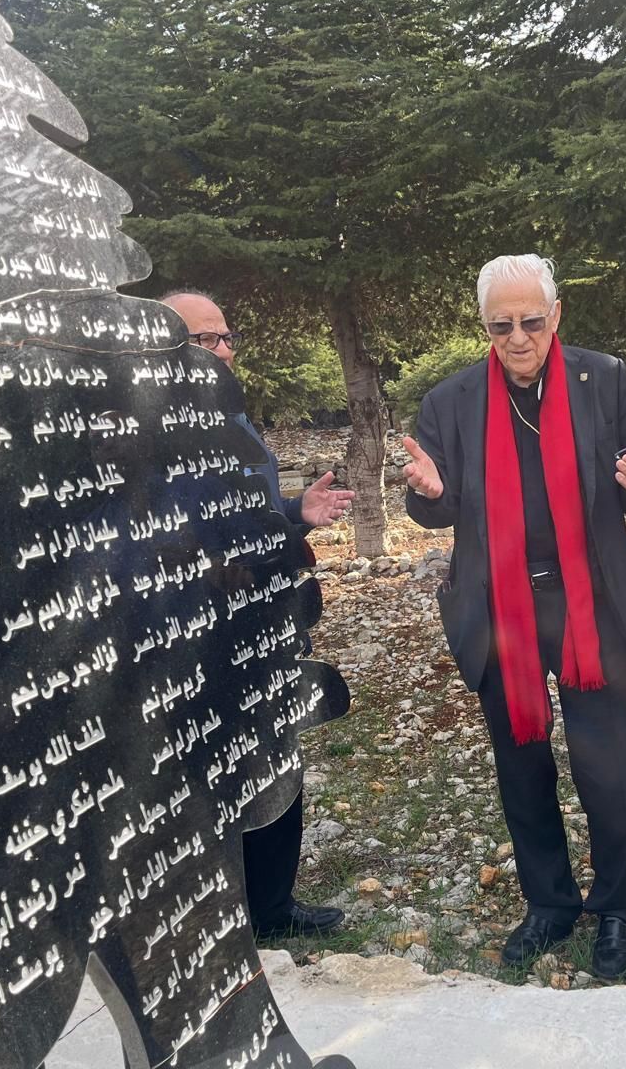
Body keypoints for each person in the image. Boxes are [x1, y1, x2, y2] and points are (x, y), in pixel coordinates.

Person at [402, 255, 626, 979]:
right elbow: (436, 507)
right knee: (521, 768)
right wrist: (429, 494)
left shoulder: (603, 377)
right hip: (500, 611)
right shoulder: (450, 401)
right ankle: (549, 903)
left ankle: (616, 909)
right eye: (501, 325)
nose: (517, 338)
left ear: (556, 316)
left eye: (530, 321)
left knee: (605, 766)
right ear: (484, 326)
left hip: (592, 603)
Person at [162, 290, 356, 941]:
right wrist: (203, 564)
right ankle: (221, 915)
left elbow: (254, 511)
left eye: (226, 337)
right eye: (204, 339)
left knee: (274, 754)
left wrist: (298, 512)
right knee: (210, 774)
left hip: (266, 622)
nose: (223, 351)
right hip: (195, 637)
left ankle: (273, 905)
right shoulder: (141, 432)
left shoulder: (236, 418)